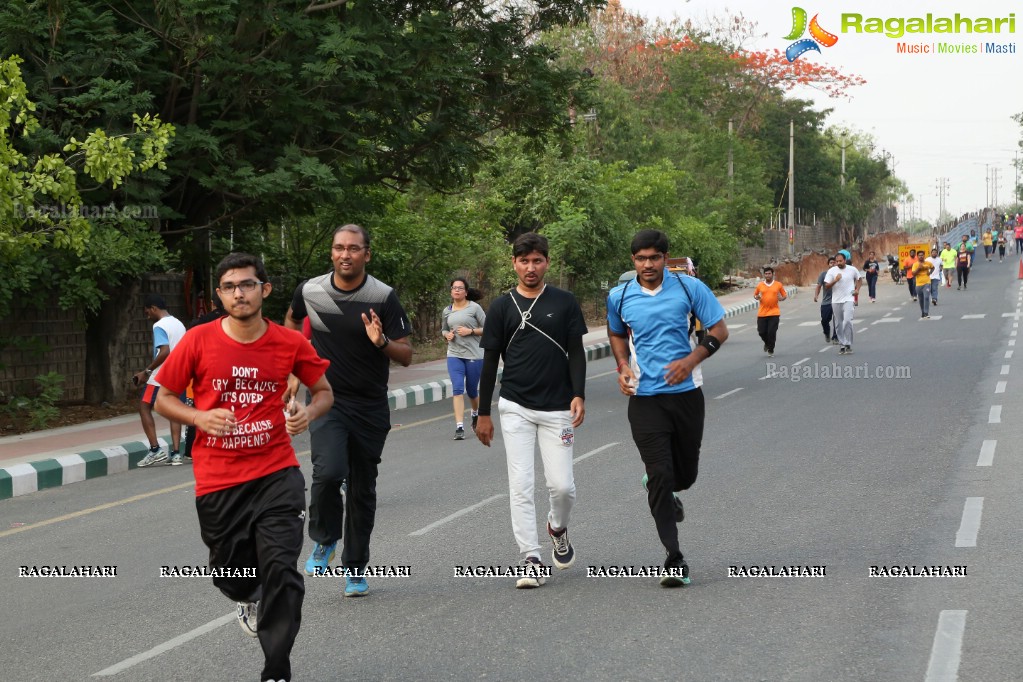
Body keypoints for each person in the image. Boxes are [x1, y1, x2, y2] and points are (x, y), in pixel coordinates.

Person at [154, 252, 333, 682]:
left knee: (282, 570)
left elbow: (323, 391)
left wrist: (307, 413)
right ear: (219, 294)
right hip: (219, 481)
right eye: (230, 286)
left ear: (264, 290)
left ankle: (276, 668)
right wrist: (199, 417)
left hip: (276, 474)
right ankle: (245, 596)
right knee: (231, 574)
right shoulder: (197, 340)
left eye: (248, 284)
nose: (240, 293)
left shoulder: (291, 344)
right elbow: (162, 397)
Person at [285, 224, 413, 597]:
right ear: (331, 252)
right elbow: (293, 322)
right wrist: (294, 363)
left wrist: (382, 341)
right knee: (328, 472)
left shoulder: (383, 296)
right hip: (327, 399)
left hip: (370, 406)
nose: (345, 254)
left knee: (362, 488)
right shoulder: (310, 290)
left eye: (354, 249)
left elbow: (405, 355)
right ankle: (325, 538)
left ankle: (355, 567)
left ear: (366, 255)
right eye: (339, 248)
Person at [607, 229, 728, 587]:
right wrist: (623, 366)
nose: (648, 264)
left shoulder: (690, 289)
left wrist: (691, 360)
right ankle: (674, 558)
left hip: (687, 394)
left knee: (685, 475)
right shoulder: (620, 295)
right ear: (633, 260)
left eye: (654, 257)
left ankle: (669, 485)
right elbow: (616, 334)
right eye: (641, 258)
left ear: (665, 258)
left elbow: (719, 330)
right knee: (660, 475)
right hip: (644, 399)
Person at [476, 232, 587, 589]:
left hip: (558, 410)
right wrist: (483, 413)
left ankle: (557, 527)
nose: (530, 267)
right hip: (515, 407)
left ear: (547, 263)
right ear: (514, 264)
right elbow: (490, 361)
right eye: (524, 261)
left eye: (537, 261)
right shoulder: (501, 307)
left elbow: (576, 352)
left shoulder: (566, 302)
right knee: (521, 484)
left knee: (563, 487)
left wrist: (579, 394)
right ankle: (531, 557)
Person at [135, 294, 188, 467]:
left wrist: (147, 371)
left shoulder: (159, 325)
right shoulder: (179, 324)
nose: (147, 315)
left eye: (147, 312)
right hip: (180, 374)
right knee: (174, 412)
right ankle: (175, 454)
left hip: (160, 376)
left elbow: (164, 351)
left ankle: (155, 449)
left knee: (144, 406)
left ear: (154, 308)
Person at [442, 278, 486, 440]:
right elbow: (443, 329)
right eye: (454, 288)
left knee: (472, 391)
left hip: (474, 355)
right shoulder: (447, 310)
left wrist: (471, 331)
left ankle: (475, 414)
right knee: (457, 389)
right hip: (454, 354)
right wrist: (447, 335)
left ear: (466, 292)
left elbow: (488, 328)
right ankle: (459, 427)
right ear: (451, 291)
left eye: (460, 288)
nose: (457, 290)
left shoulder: (474, 308)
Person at [823, 252, 861, 355]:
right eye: (837, 261)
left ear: (845, 260)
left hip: (849, 299)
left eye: (840, 261)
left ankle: (848, 343)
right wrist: (835, 280)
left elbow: (859, 278)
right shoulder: (832, 271)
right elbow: (826, 286)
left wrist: (857, 289)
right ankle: (842, 344)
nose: (838, 263)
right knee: (839, 323)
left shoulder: (852, 269)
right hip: (836, 301)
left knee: (847, 321)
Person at [753, 266, 786, 357]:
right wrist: (757, 297)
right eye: (766, 274)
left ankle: (771, 349)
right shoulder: (760, 285)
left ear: (772, 274)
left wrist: (782, 298)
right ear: (764, 275)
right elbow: (755, 295)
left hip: (774, 312)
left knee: (772, 332)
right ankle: (767, 343)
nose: (767, 275)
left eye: (769, 274)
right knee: (761, 332)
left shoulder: (778, 284)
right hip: (762, 313)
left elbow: (784, 295)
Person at [813, 256, 838, 344]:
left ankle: (835, 337)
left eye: (834, 262)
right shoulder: (824, 274)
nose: (833, 264)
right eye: (831, 262)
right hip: (826, 301)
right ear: (828, 264)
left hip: (838, 301)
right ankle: (827, 332)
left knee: (837, 319)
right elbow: (819, 286)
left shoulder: (840, 274)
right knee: (824, 320)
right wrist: (816, 295)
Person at [911, 251, 934, 319]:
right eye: (919, 255)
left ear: (924, 256)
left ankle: (926, 313)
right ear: (917, 256)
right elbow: (913, 274)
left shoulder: (928, 263)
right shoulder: (915, 264)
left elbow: (933, 267)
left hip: (927, 283)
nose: (921, 256)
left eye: (922, 255)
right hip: (918, 284)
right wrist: (919, 268)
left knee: (926, 297)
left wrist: (930, 273)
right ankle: (923, 312)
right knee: (921, 299)